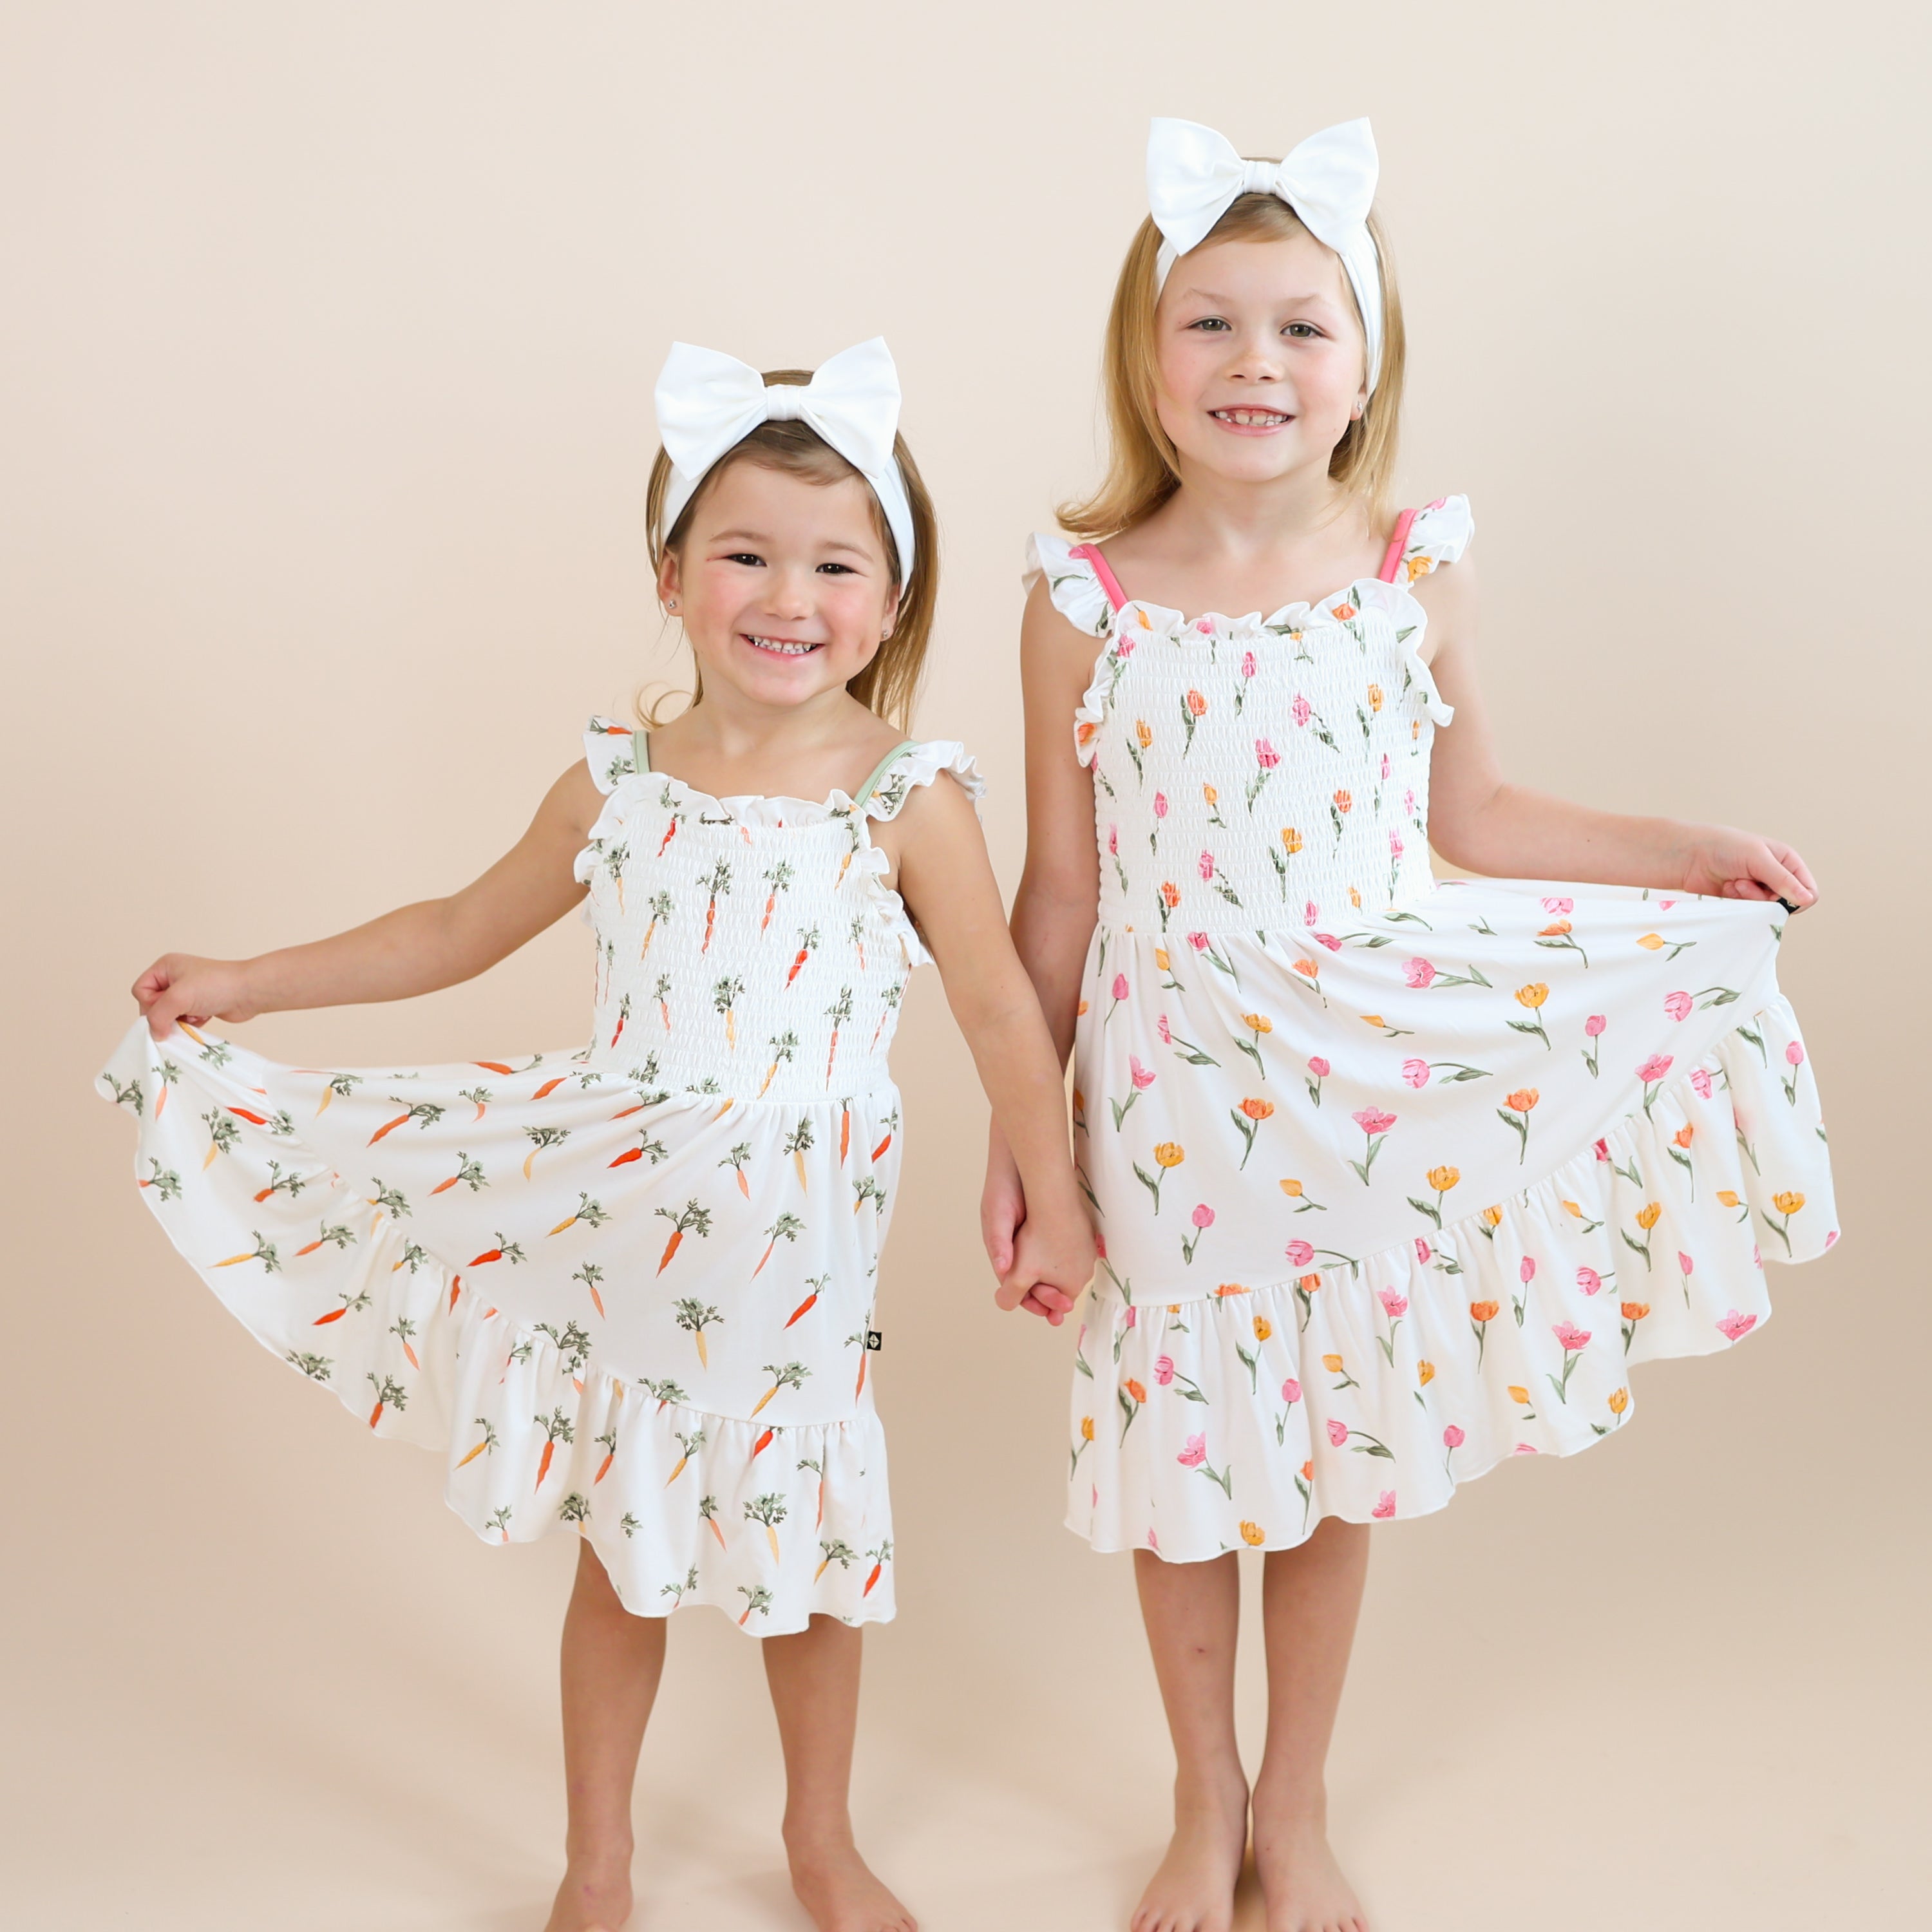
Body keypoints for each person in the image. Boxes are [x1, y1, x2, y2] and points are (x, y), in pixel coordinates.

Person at [101, 337, 1094, 1932]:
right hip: (630, 1225)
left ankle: (819, 1843)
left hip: (794, 1259)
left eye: (837, 563)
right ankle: (599, 1861)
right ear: (673, 572)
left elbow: (998, 1019)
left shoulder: (909, 795)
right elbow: (448, 931)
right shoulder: (616, 785)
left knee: (804, 1562)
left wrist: (1057, 1203)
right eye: (747, 554)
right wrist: (248, 981)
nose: (790, 595)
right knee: (617, 1552)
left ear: (893, 600)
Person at [983, 119, 1836, 1932]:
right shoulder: (1083, 605)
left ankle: (1295, 1804)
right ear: (1147, 355)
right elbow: (1057, 898)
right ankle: (1199, 1798)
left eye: (1302, 328)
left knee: (1328, 1439)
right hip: (1171, 1089)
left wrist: (1686, 857)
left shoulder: (1408, 571)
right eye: (1210, 326)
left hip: (1363, 1065)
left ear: (1365, 362)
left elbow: (1482, 819)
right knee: (1193, 1449)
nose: (1254, 366)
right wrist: (1025, 1130)